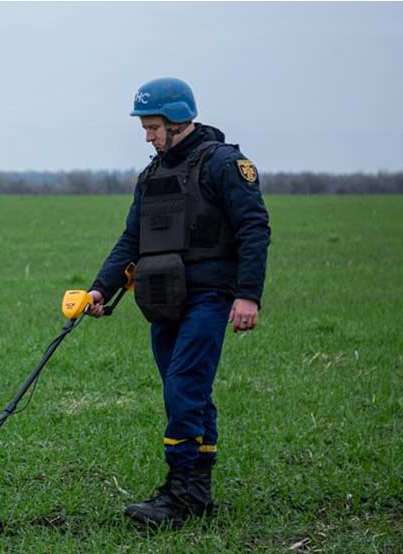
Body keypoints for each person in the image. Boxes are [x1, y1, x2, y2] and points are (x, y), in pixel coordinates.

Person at [86, 77, 271, 528]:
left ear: (178, 120)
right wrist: (98, 290)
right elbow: (131, 239)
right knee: (186, 391)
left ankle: (181, 493)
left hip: (210, 295)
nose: (147, 137)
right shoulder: (151, 175)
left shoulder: (225, 165)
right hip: (161, 297)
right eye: (145, 128)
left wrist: (248, 295)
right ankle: (198, 493)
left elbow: (254, 228)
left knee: (184, 387)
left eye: (152, 127)